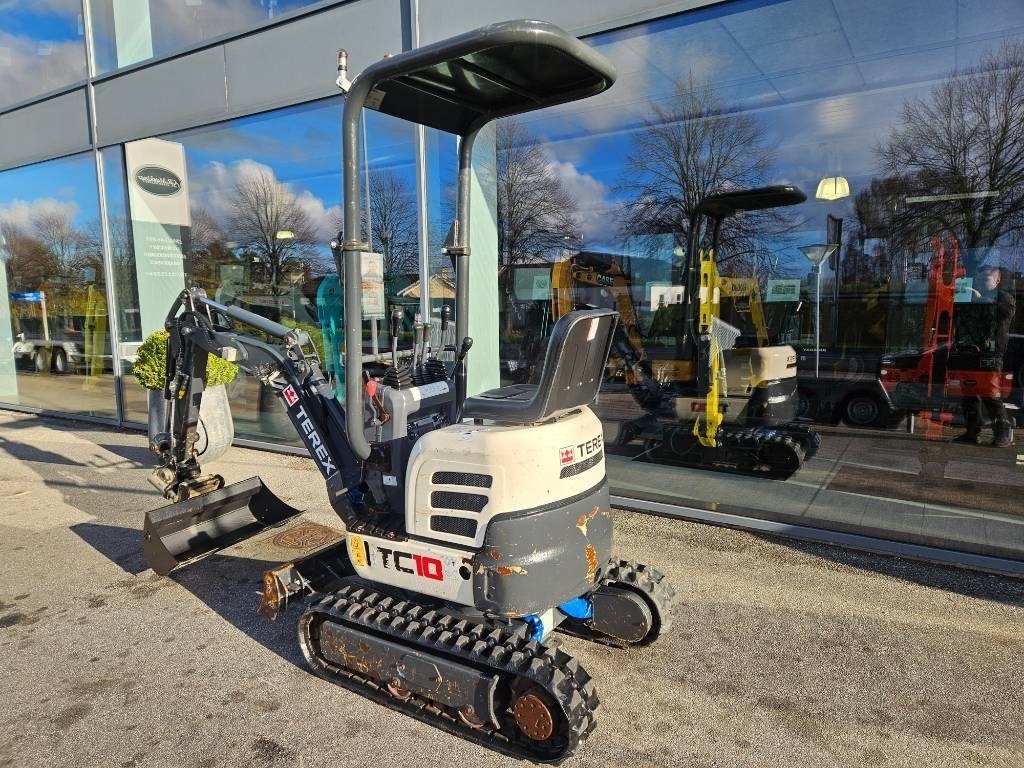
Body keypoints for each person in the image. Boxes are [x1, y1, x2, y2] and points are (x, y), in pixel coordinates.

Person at [954, 262, 1015, 447]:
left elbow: (1003, 314)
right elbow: (957, 317)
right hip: (968, 351)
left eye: (986, 278)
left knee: (990, 394)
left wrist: (980, 299)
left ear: (997, 280)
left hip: (990, 354)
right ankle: (972, 432)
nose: (981, 281)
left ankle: (1002, 434)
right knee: (969, 394)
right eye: (979, 278)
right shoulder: (970, 297)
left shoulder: (1003, 297)